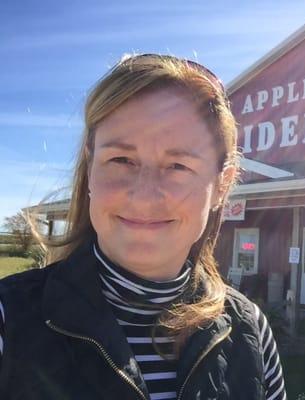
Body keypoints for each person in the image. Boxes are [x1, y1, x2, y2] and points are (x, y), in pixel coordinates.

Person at [0, 54, 286, 400]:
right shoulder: (9, 319)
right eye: (121, 160)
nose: (144, 196)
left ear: (221, 186)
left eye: (178, 165)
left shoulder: (249, 331)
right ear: (91, 170)